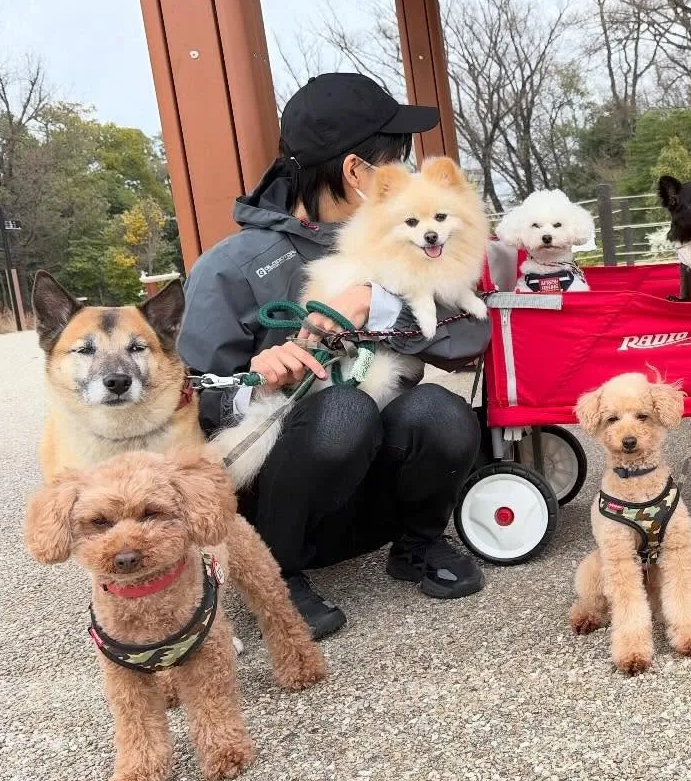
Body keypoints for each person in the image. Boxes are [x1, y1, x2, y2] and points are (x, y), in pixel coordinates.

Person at [178, 73, 490, 639]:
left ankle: (417, 544)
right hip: (278, 501)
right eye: (393, 157)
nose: (406, 171)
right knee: (344, 409)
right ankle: (274, 576)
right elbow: (190, 394)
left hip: (372, 494)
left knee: (440, 411)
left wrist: (376, 300)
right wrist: (257, 378)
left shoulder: (412, 234)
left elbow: (471, 334)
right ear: (355, 171)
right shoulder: (230, 266)